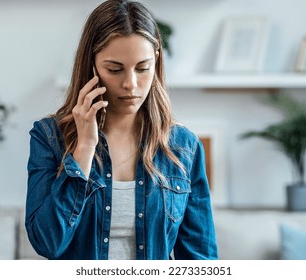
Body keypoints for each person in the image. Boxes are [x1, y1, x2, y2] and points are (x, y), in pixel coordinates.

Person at [26, 0, 218, 260]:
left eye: (142, 68)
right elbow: (48, 243)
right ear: (91, 65)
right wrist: (84, 148)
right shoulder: (49, 137)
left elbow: (200, 260)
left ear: (156, 61)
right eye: (114, 69)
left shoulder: (183, 146)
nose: (131, 84)